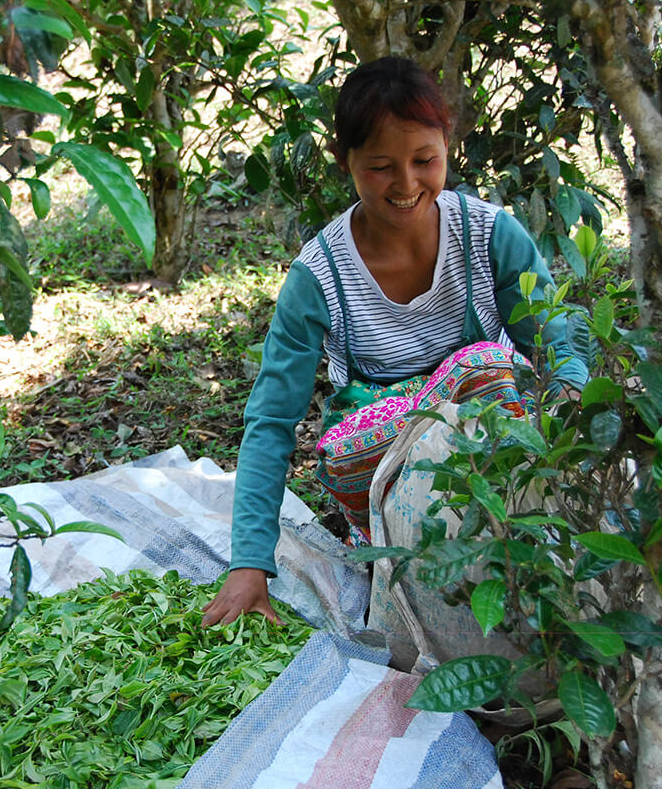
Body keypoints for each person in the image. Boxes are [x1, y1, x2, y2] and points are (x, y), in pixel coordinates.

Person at [200, 56, 589, 628]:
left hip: (498, 452)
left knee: (491, 373)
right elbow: (272, 420)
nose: (407, 185)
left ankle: (510, 542)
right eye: (381, 166)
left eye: (424, 160)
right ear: (346, 163)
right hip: (382, 475)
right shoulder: (320, 277)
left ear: (447, 146)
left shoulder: (490, 236)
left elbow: (560, 355)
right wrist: (249, 563)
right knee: (481, 368)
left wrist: (579, 457)